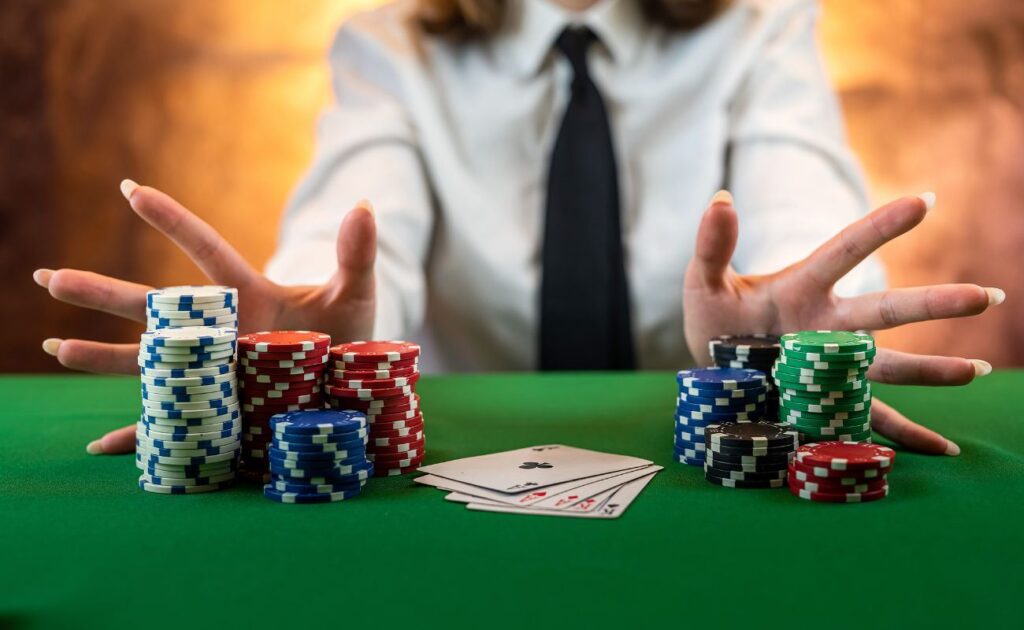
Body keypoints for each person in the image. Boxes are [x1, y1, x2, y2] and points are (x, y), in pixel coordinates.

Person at [32, 0, 1003, 457]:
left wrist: (781, 325)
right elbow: (361, 224)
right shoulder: (385, 48)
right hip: (450, 473)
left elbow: (797, 200)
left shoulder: (763, 31)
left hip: (693, 466)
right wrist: (304, 334)